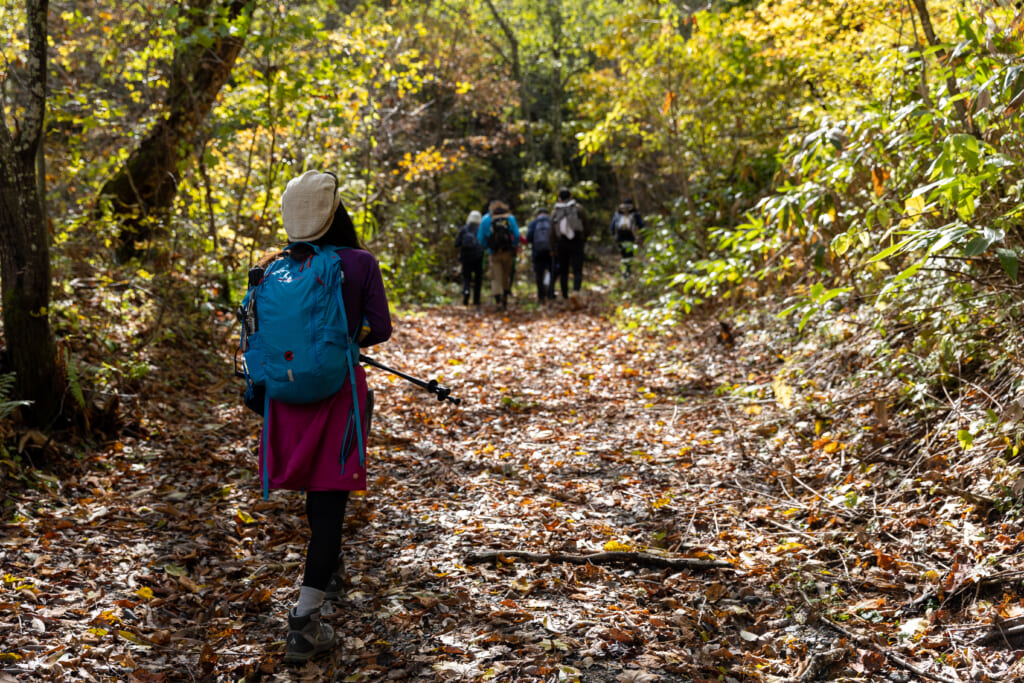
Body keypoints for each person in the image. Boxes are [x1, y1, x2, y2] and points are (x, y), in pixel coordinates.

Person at [255, 170, 392, 663]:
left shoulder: (276, 268)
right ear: (337, 214)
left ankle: (327, 573)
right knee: (332, 503)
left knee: (317, 492)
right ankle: (305, 621)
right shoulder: (359, 263)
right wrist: (347, 341)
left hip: (288, 397)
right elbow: (381, 328)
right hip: (340, 396)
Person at [476, 200, 520, 310]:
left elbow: (480, 237)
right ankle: (505, 296)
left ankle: (498, 301)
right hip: (508, 252)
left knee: (496, 277)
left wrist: (488, 246)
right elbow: (517, 234)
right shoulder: (510, 218)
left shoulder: (486, 219)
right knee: (506, 275)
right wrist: (513, 246)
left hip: (494, 252)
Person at [550, 187, 589, 299]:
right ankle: (576, 291)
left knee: (564, 270)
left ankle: (565, 295)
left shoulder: (555, 211)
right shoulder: (579, 208)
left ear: (559, 198)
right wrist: (583, 239)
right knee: (577, 269)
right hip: (577, 242)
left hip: (562, 244)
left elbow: (552, 231)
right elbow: (586, 226)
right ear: (570, 196)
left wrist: (553, 248)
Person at [454, 210, 484, 306]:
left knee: (466, 277)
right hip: (479, 257)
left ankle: (466, 291)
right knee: (478, 278)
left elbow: (456, 243)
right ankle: (476, 299)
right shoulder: (481, 229)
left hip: (466, 256)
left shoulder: (464, 229)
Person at [526, 207, 555, 303]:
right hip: (550, 251)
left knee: (539, 274)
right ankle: (550, 293)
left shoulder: (534, 223)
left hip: (537, 252)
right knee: (551, 271)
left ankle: (541, 296)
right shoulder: (552, 221)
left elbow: (528, 238)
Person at [610, 198, 645, 276]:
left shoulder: (618, 212)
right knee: (629, 256)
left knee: (624, 256)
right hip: (630, 237)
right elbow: (642, 226)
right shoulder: (635, 213)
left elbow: (612, 226)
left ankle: (625, 273)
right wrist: (642, 235)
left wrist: (613, 234)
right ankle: (627, 274)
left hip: (620, 238)